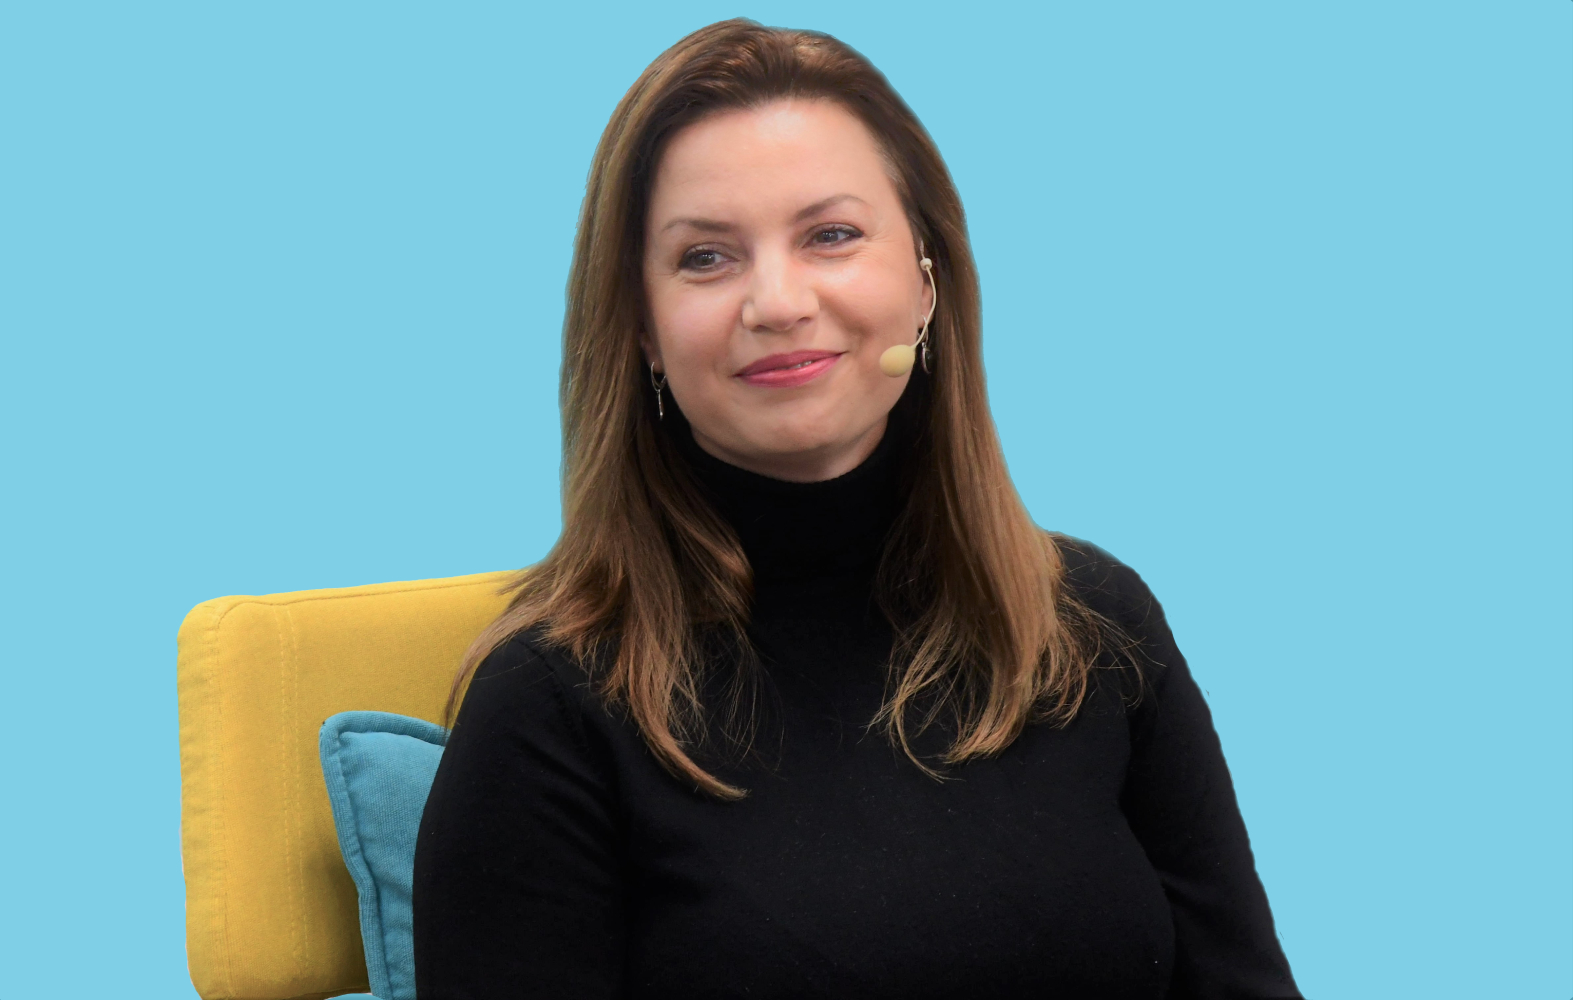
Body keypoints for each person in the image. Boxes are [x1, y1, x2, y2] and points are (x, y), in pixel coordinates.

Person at [413, 18, 1301, 1000]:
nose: (777, 301)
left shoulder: (1095, 622)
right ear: (643, 330)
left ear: (924, 282)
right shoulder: (546, 704)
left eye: (830, 236)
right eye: (705, 257)